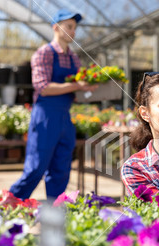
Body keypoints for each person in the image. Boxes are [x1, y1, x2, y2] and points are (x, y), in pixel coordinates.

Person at [10, 9, 97, 200]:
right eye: (69, 27)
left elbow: (77, 86)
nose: (73, 31)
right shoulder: (44, 53)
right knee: (36, 168)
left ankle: (53, 214)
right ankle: (6, 205)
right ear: (56, 28)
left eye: (74, 28)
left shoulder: (73, 57)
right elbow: (43, 87)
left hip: (65, 116)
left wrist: (89, 86)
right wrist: (76, 85)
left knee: (61, 169)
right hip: (45, 116)